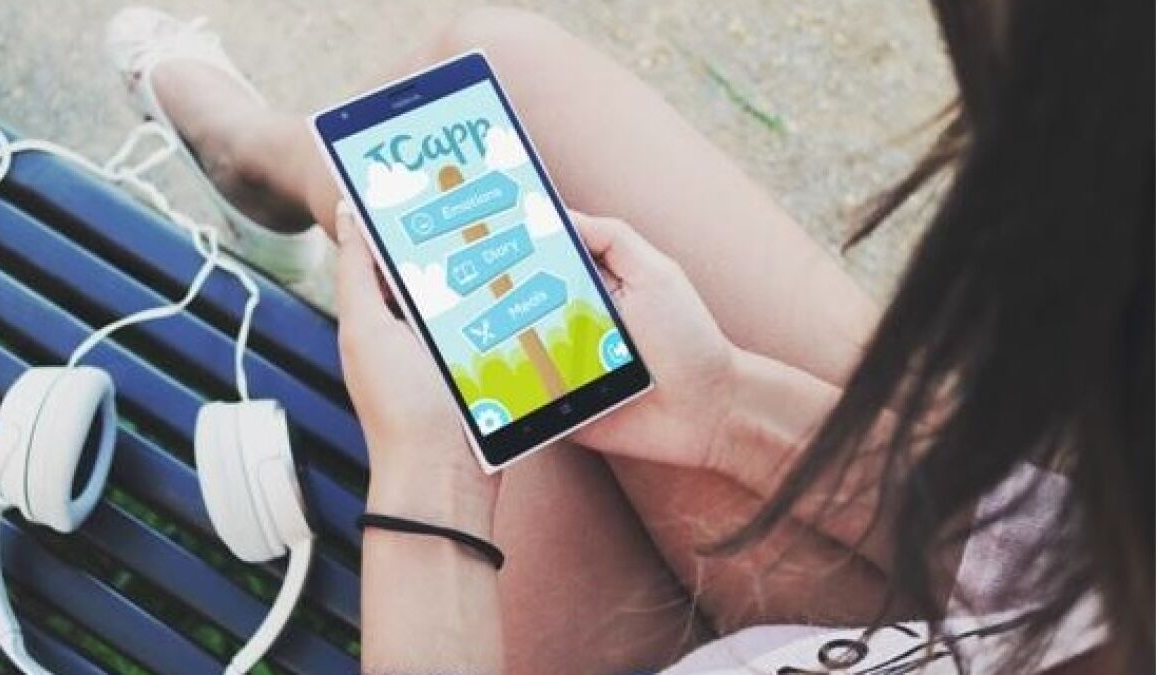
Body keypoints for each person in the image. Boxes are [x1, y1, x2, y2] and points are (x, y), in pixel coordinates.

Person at [104, 3, 1151, 674]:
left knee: (421, 223)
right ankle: (267, 164)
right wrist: (726, 410)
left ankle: (266, 168)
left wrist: (430, 483)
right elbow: (1073, 561)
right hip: (957, 613)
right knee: (472, 93)